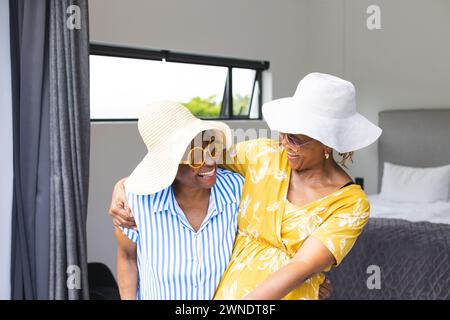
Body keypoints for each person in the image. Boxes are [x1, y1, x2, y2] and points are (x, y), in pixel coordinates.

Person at [113, 72, 374, 299]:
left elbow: (304, 264)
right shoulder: (262, 156)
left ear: (328, 141)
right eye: (283, 133)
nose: (284, 143)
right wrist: (125, 185)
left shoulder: (350, 204)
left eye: (295, 138)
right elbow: (190, 162)